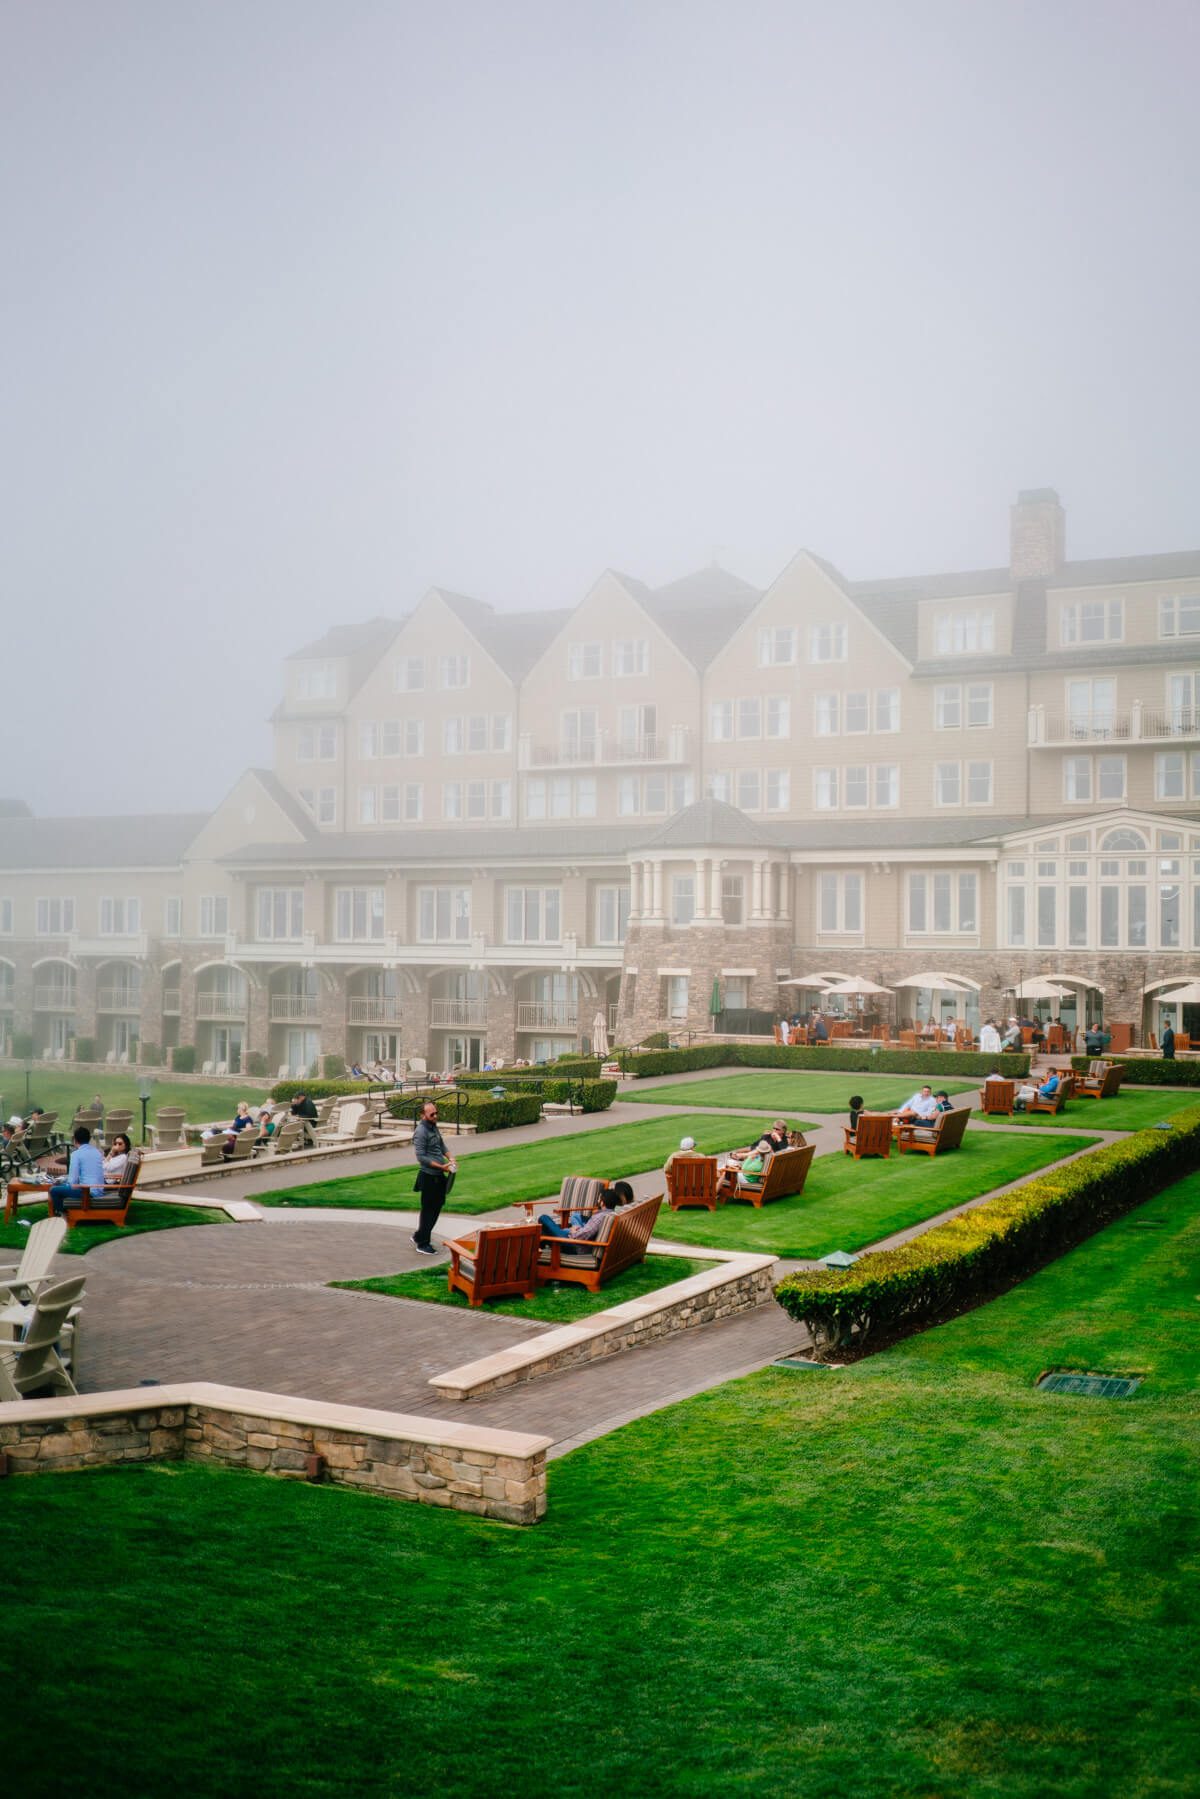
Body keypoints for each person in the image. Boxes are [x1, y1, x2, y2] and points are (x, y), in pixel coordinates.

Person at [411, 1098, 456, 1255]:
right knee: (429, 1210)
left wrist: (450, 1158)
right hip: (429, 1176)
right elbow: (421, 1157)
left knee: (437, 1207)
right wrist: (441, 1166)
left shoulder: (433, 1127)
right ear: (423, 1115)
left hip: (439, 1175)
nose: (435, 1116)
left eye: (436, 1113)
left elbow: (441, 1144)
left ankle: (418, 1235)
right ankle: (423, 1244)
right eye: (432, 1114)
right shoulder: (420, 1132)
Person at [539, 1180, 633, 1239]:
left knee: (544, 1218)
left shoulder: (602, 1216)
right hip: (582, 1236)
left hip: (575, 1244)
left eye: (613, 1189)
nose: (612, 1189)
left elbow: (582, 1235)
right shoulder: (613, 1212)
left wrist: (574, 1231)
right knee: (574, 1217)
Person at [48, 1125, 106, 1218]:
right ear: (89, 1139)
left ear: (75, 1140)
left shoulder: (76, 1154)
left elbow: (73, 1181)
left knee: (53, 1190)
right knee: (61, 1186)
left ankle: (63, 1213)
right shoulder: (97, 1152)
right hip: (99, 1190)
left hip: (88, 1192)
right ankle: (62, 1211)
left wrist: (64, 1183)